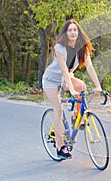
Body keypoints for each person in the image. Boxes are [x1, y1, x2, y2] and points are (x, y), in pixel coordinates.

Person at [42, 19, 102, 159]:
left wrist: (98, 85)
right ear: (66, 33)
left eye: (75, 29)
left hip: (65, 79)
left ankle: (77, 117)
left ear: (78, 32)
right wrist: (71, 90)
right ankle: (60, 147)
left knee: (82, 86)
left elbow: (90, 67)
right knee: (58, 110)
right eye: (70, 30)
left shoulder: (82, 47)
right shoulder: (59, 48)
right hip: (51, 80)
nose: (73, 32)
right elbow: (64, 71)